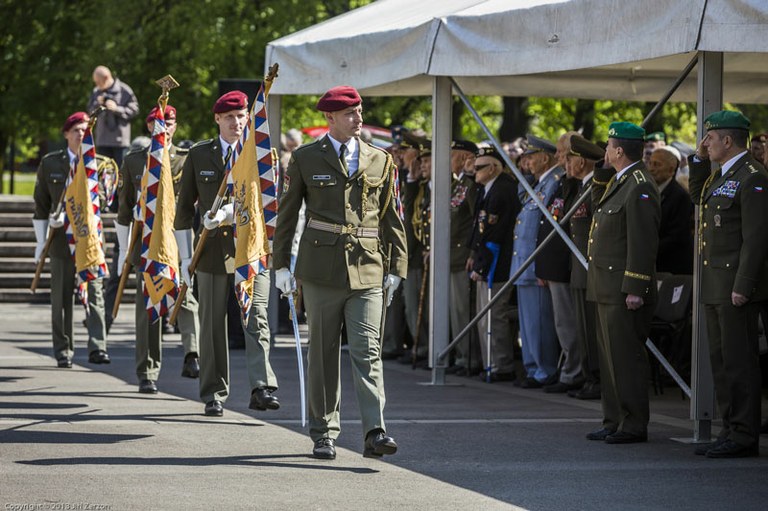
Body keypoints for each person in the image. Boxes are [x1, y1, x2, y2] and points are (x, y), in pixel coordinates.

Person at [273, 85, 407, 460]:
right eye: (349, 113)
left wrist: (397, 266)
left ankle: (374, 430)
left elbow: (392, 218)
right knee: (323, 353)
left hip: (367, 266)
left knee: (367, 350)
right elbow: (287, 217)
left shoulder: (380, 159)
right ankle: (324, 431)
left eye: (359, 111)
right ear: (329, 118)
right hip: (320, 270)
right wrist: (281, 264)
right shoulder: (305, 158)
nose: (358, 118)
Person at [175, 91, 279, 417]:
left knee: (256, 318)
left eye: (242, 115)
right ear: (217, 119)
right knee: (212, 325)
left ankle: (261, 386)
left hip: (250, 249)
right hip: (211, 252)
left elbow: (271, 205)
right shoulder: (200, 154)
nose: (237, 122)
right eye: (230, 117)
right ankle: (213, 392)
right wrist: (182, 257)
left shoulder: (260, 155)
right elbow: (182, 211)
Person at [687, 110, 768, 458]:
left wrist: (744, 283)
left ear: (728, 140)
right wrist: (697, 159)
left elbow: (756, 237)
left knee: (739, 362)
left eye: (710, 138)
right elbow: (697, 195)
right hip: (716, 283)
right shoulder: (721, 175)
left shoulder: (752, 176)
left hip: (735, 284)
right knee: (721, 362)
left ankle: (745, 434)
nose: (705, 143)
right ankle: (729, 427)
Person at [115, 104, 200, 394]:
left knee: (186, 299)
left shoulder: (187, 159)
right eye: (159, 121)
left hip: (179, 238)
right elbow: (123, 210)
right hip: (148, 242)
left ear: (176, 125)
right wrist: (122, 251)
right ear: (149, 125)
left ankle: (192, 353)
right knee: (149, 308)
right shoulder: (135, 160)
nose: (165, 126)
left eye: (170, 121)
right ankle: (148, 371)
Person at [586, 121, 660, 444]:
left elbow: (642, 242)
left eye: (608, 146)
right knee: (609, 357)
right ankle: (613, 418)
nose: (604, 151)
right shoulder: (620, 180)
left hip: (622, 288)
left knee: (626, 358)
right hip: (605, 284)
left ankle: (633, 423)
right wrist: (602, 172)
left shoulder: (640, 184)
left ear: (618, 150)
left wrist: (635, 287)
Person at [32, 111, 110, 368]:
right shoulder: (51, 163)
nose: (81, 134)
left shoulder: (99, 164)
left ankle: (98, 346)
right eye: (76, 130)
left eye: (85, 130)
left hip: (90, 239)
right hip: (60, 241)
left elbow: (107, 201)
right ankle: (63, 349)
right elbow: (41, 205)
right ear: (66, 133)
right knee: (61, 298)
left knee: (96, 292)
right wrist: (40, 241)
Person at [511, 135, 562, 388]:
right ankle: (532, 368)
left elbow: (546, 225)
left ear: (544, 157)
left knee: (538, 322)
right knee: (528, 323)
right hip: (523, 263)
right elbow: (524, 202)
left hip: (535, 263)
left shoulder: (553, 182)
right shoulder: (539, 183)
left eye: (530, 157)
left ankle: (544, 369)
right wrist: (526, 175)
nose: (526, 162)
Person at [536, 132, 584, 394]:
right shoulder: (563, 183)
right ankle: (567, 369)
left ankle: (572, 372)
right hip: (554, 265)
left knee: (569, 325)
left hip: (566, 266)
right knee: (562, 325)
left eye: (563, 153)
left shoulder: (576, 185)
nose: (559, 158)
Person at [468, 147, 521, 382]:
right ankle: (491, 362)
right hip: (486, 260)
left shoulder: (503, 190)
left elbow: (495, 234)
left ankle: (501, 364)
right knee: (484, 316)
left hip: (497, 264)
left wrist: (482, 266)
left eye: (479, 167)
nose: (474, 171)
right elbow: (478, 228)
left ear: (493, 168)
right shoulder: (487, 188)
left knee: (494, 315)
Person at [564, 135, 605, 401]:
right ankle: (590, 378)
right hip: (578, 269)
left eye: (568, 158)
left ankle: (597, 379)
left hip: (590, 268)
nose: (564, 163)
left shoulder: (596, 187)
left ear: (581, 161)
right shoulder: (581, 187)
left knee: (593, 329)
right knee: (583, 328)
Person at [446, 139, 481, 376]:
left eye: (452, 155)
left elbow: (476, 220)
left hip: (462, 256)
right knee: (453, 311)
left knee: (462, 310)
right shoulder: (456, 184)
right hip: (450, 255)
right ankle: (460, 355)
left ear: (463, 157)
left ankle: (469, 358)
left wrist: (472, 252)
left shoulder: (469, 185)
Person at [647, 146, 693, 275]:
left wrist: (648, 251)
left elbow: (677, 235)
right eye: (650, 163)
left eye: (657, 164)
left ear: (671, 169)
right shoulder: (647, 191)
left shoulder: (680, 197)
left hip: (672, 267)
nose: (651, 168)